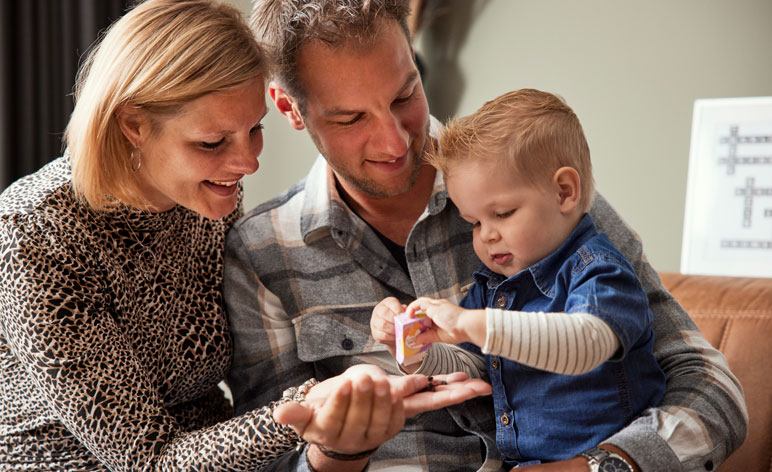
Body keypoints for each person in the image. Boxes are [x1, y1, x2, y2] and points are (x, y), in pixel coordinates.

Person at [225, 0, 747, 471]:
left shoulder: (531, 187)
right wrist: (338, 451)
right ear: (290, 109)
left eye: (405, 94)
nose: (395, 140)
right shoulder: (262, 253)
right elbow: (269, 459)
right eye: (350, 118)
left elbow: (709, 387)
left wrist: (600, 467)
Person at [0, 1, 491, 471]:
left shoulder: (209, 197)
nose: (248, 163)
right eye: (213, 142)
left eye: (253, 130)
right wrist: (309, 407)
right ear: (133, 126)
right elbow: (148, 459)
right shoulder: (36, 232)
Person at [373, 88, 668, 467]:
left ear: (564, 192)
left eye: (504, 213)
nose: (486, 235)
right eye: (475, 222)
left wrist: (467, 322)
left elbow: (586, 344)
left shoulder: (599, 269)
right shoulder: (492, 287)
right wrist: (417, 350)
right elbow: (475, 367)